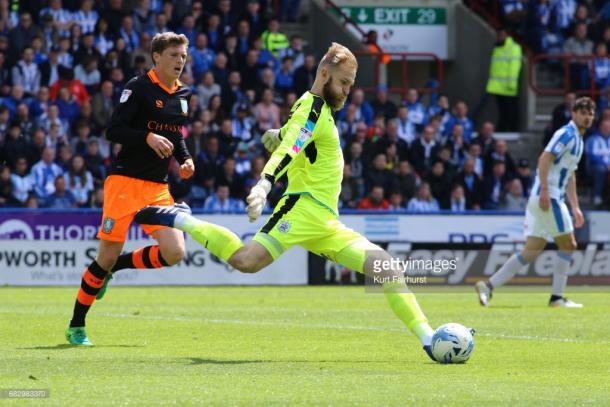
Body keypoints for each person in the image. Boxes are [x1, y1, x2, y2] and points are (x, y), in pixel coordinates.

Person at [135, 42, 444, 361]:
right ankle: (182, 218)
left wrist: (278, 132)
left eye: (350, 85)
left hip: (327, 222)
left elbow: (296, 137)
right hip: (299, 210)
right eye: (343, 83)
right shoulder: (312, 107)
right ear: (324, 73)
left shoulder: (316, 110)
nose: (347, 91)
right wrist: (265, 183)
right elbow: (290, 150)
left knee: (388, 268)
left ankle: (429, 339)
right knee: (246, 262)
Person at [65, 32, 195, 346]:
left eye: (183, 56)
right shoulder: (137, 88)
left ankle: (116, 268)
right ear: (157, 57)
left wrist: (185, 158)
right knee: (105, 256)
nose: (180, 61)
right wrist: (147, 138)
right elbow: (114, 129)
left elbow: (176, 132)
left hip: (157, 188)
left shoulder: (185, 92)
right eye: (174, 55)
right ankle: (76, 325)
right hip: (124, 183)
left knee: (175, 252)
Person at [476, 97, 595, 308]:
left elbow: (570, 175)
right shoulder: (566, 134)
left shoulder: (578, 139)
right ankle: (557, 298)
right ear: (574, 113)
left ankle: (488, 285)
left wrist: (575, 206)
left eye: (590, 114)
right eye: (583, 112)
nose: (587, 117)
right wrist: (546, 192)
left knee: (531, 250)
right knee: (569, 245)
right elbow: (544, 158)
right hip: (549, 198)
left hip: (546, 197)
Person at [485, 27, 522, 131]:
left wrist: (511, 84)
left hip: (508, 86)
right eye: (498, 35)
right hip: (497, 86)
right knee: (502, 111)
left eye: (501, 35)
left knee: (510, 111)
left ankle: (511, 129)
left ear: (507, 35)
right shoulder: (497, 48)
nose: (499, 37)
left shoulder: (514, 48)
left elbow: (514, 67)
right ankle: (503, 128)